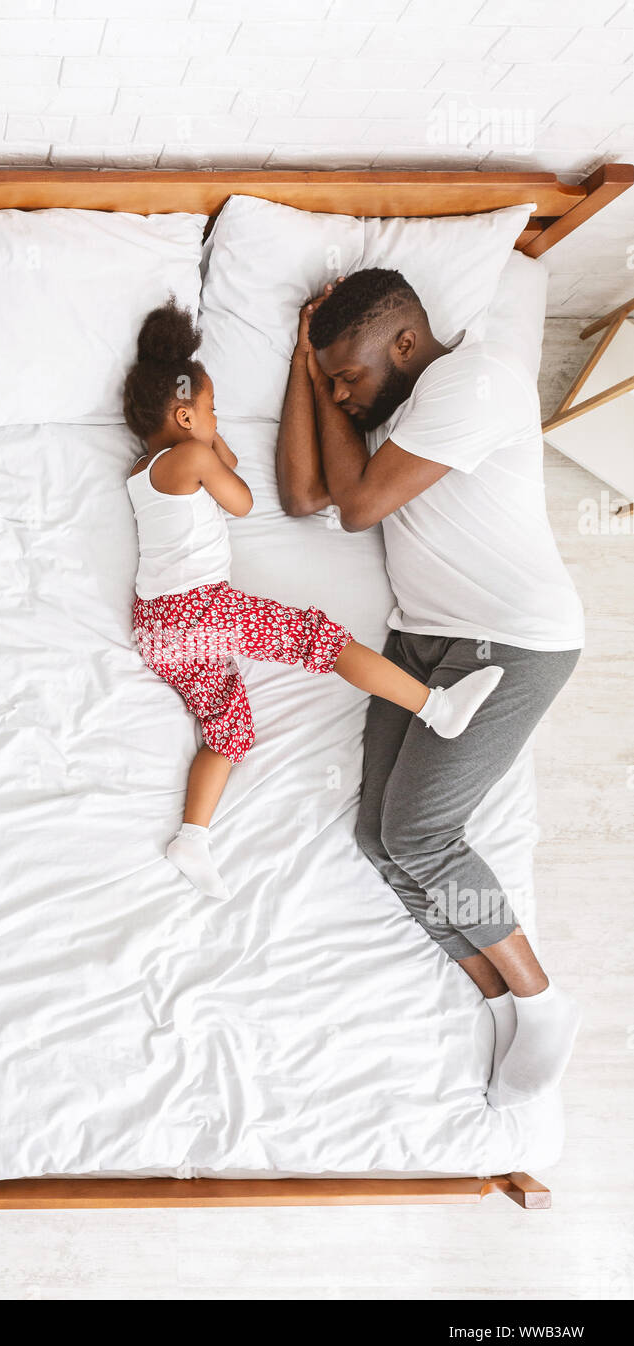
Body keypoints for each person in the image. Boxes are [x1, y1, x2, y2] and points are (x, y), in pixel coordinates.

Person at [276, 267, 584, 1109]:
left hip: (510, 640)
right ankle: (497, 1000)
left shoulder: (472, 381)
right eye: (336, 384)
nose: (344, 395)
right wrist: (309, 369)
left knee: (419, 835)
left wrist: (329, 387)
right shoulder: (395, 415)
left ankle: (542, 1001)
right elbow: (305, 494)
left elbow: (357, 508)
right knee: (378, 840)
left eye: (349, 376)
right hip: (421, 640)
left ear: (405, 343)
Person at [124, 297, 503, 904]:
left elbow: (214, 460)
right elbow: (241, 499)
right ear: (186, 415)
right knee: (319, 640)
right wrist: (211, 443)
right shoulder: (193, 455)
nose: (218, 419)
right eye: (212, 409)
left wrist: (207, 435)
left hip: (157, 628)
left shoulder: (142, 468)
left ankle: (192, 837)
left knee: (228, 729)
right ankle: (436, 708)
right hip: (197, 609)